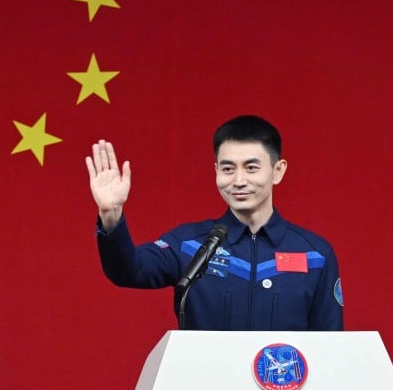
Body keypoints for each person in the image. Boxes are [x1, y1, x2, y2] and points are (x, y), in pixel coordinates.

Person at [86, 115, 343, 330]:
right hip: (205, 389)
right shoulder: (189, 245)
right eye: (228, 169)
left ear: (277, 171)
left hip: (283, 388)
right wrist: (111, 215)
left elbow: (331, 347)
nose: (239, 180)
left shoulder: (315, 254)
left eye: (251, 168)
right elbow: (129, 270)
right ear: (216, 171)